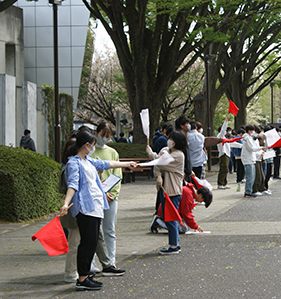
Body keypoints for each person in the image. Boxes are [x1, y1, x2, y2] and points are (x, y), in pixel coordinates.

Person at [59, 130, 136, 291]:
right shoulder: (74, 163)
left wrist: (127, 164)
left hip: (95, 207)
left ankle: (85, 276)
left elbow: (108, 164)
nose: (94, 147)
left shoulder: (88, 160)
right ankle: (82, 278)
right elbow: (72, 184)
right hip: (85, 208)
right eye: (93, 145)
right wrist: (66, 203)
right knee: (87, 243)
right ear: (87, 145)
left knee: (92, 242)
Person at [146, 130, 186, 254]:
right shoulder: (170, 152)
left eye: (171, 139)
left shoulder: (178, 155)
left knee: (170, 218)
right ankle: (175, 242)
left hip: (173, 191)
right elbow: (159, 164)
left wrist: (153, 153)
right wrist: (158, 175)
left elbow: (160, 162)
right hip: (166, 190)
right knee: (168, 217)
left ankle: (173, 245)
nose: (169, 141)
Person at [90, 122, 122, 267]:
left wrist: (112, 194)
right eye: (103, 135)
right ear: (96, 133)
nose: (105, 138)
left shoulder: (113, 153)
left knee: (109, 229)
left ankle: (111, 260)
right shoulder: (90, 152)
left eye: (107, 136)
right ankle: (91, 263)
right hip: (94, 197)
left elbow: (117, 174)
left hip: (110, 198)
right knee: (93, 231)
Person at [242, 125, 265, 197]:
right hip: (248, 159)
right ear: (249, 131)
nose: (253, 132)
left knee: (252, 176)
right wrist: (260, 148)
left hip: (251, 159)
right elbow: (251, 148)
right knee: (250, 177)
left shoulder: (249, 137)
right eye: (252, 131)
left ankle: (249, 191)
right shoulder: (247, 138)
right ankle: (248, 191)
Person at [175, 116, 192, 183]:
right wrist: (184, 170)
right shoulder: (179, 138)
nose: (188, 126)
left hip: (186, 171)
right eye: (187, 124)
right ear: (182, 126)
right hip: (183, 172)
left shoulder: (185, 137)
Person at [216, 114, 231, 189]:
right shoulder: (220, 135)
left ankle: (224, 183)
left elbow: (232, 143)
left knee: (226, 169)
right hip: (223, 154)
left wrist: (241, 145)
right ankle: (220, 183)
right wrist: (226, 120)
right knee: (223, 168)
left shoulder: (225, 137)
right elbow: (223, 129)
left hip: (227, 155)